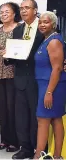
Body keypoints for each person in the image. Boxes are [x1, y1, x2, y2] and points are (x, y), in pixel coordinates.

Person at [5, 0, 44, 159]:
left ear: (35, 10)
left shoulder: (44, 28)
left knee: (37, 116)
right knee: (21, 116)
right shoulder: (18, 30)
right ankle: (25, 148)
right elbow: (16, 55)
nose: (23, 11)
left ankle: (38, 147)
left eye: (27, 8)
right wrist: (7, 57)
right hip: (20, 78)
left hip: (38, 79)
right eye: (21, 8)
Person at [33, 12, 66, 159]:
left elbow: (57, 68)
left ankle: (38, 156)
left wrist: (49, 92)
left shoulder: (54, 41)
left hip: (51, 86)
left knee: (43, 120)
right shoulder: (47, 39)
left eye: (45, 22)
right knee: (55, 119)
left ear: (53, 24)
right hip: (46, 85)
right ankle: (57, 156)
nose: (42, 25)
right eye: (40, 22)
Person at [0, 2, 21, 152]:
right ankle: (4, 140)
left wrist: (8, 52)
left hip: (13, 75)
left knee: (12, 109)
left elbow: (22, 52)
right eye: (1, 12)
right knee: (1, 109)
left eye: (7, 12)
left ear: (15, 13)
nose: (3, 14)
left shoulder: (20, 29)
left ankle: (15, 141)